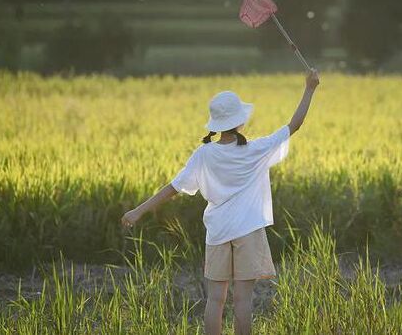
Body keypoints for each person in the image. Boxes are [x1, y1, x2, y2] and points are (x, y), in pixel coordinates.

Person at [120, 69, 320, 334]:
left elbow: (173, 188)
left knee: (215, 300)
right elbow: (294, 125)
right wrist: (309, 88)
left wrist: (138, 211)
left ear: (215, 124)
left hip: (217, 232)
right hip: (248, 230)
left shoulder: (204, 154)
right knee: (243, 301)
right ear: (240, 122)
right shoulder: (255, 149)